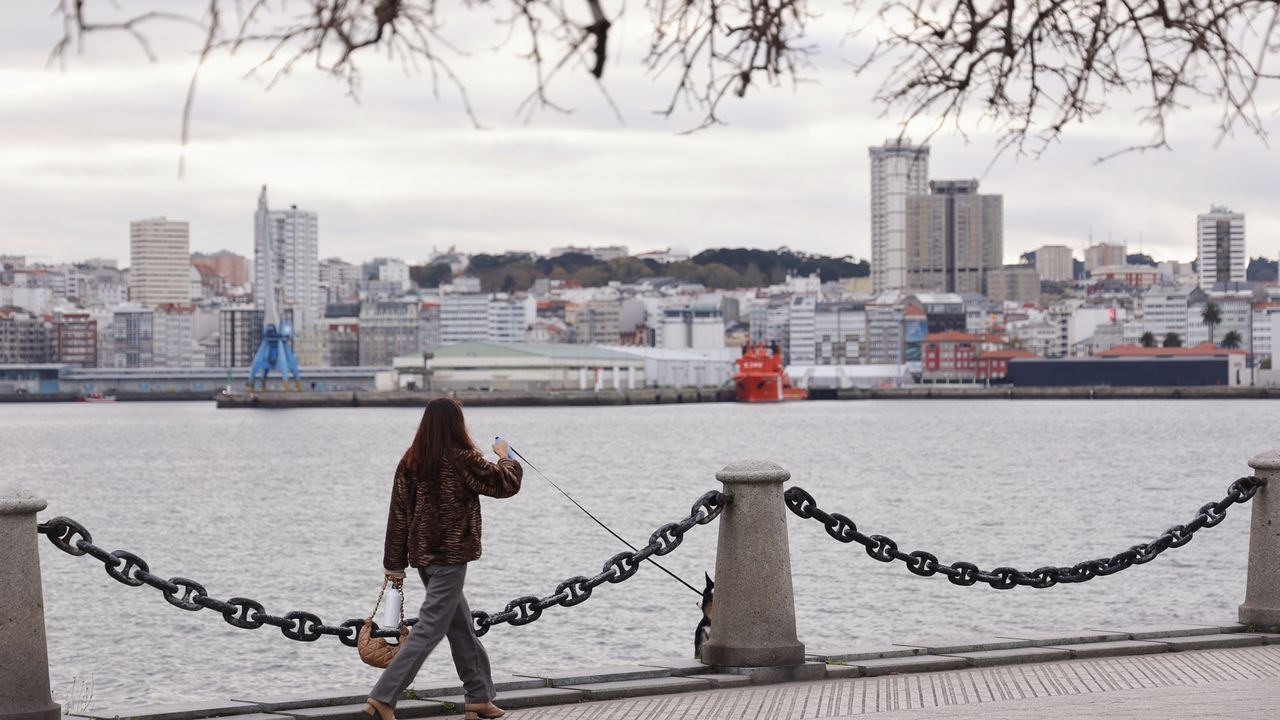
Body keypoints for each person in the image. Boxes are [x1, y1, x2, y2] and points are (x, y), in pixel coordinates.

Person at [363, 398, 523, 720]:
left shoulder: (411, 461)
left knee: (460, 625)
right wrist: (506, 456)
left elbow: (398, 516)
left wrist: (394, 566)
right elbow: (505, 484)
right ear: (456, 425)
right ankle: (383, 697)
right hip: (450, 557)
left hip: (423, 559)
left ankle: (478, 697)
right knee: (431, 628)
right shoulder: (462, 458)